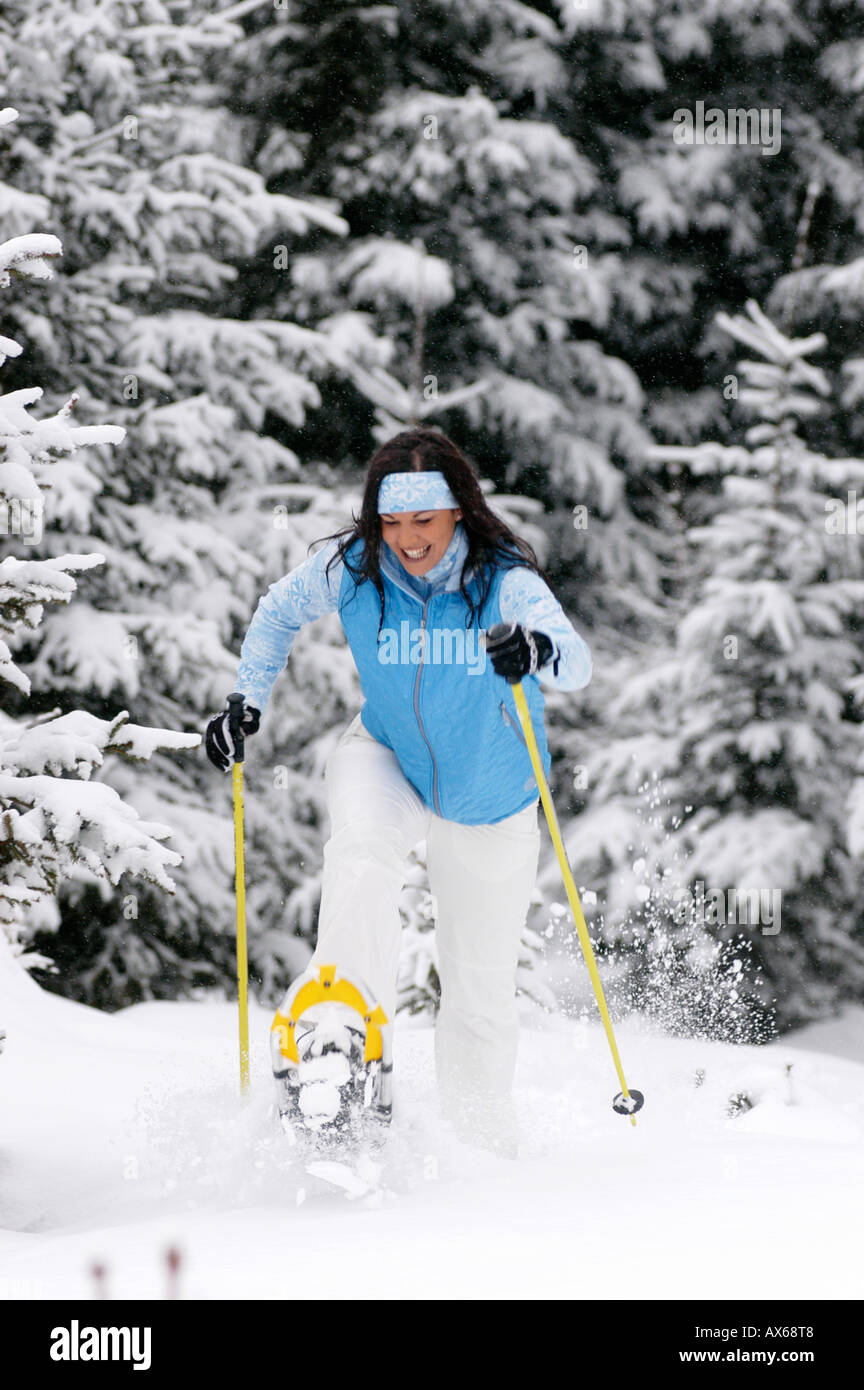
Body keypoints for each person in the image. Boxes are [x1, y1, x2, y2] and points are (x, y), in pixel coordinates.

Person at [205, 427, 591, 1154]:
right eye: (392, 521)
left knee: (477, 992)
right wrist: (245, 700)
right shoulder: (353, 567)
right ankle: (337, 1044)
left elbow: (577, 662)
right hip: (388, 755)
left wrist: (534, 649)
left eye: (424, 521)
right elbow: (276, 611)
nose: (408, 539)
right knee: (360, 850)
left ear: (458, 514)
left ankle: (479, 1148)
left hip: (490, 794)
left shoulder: (502, 579)